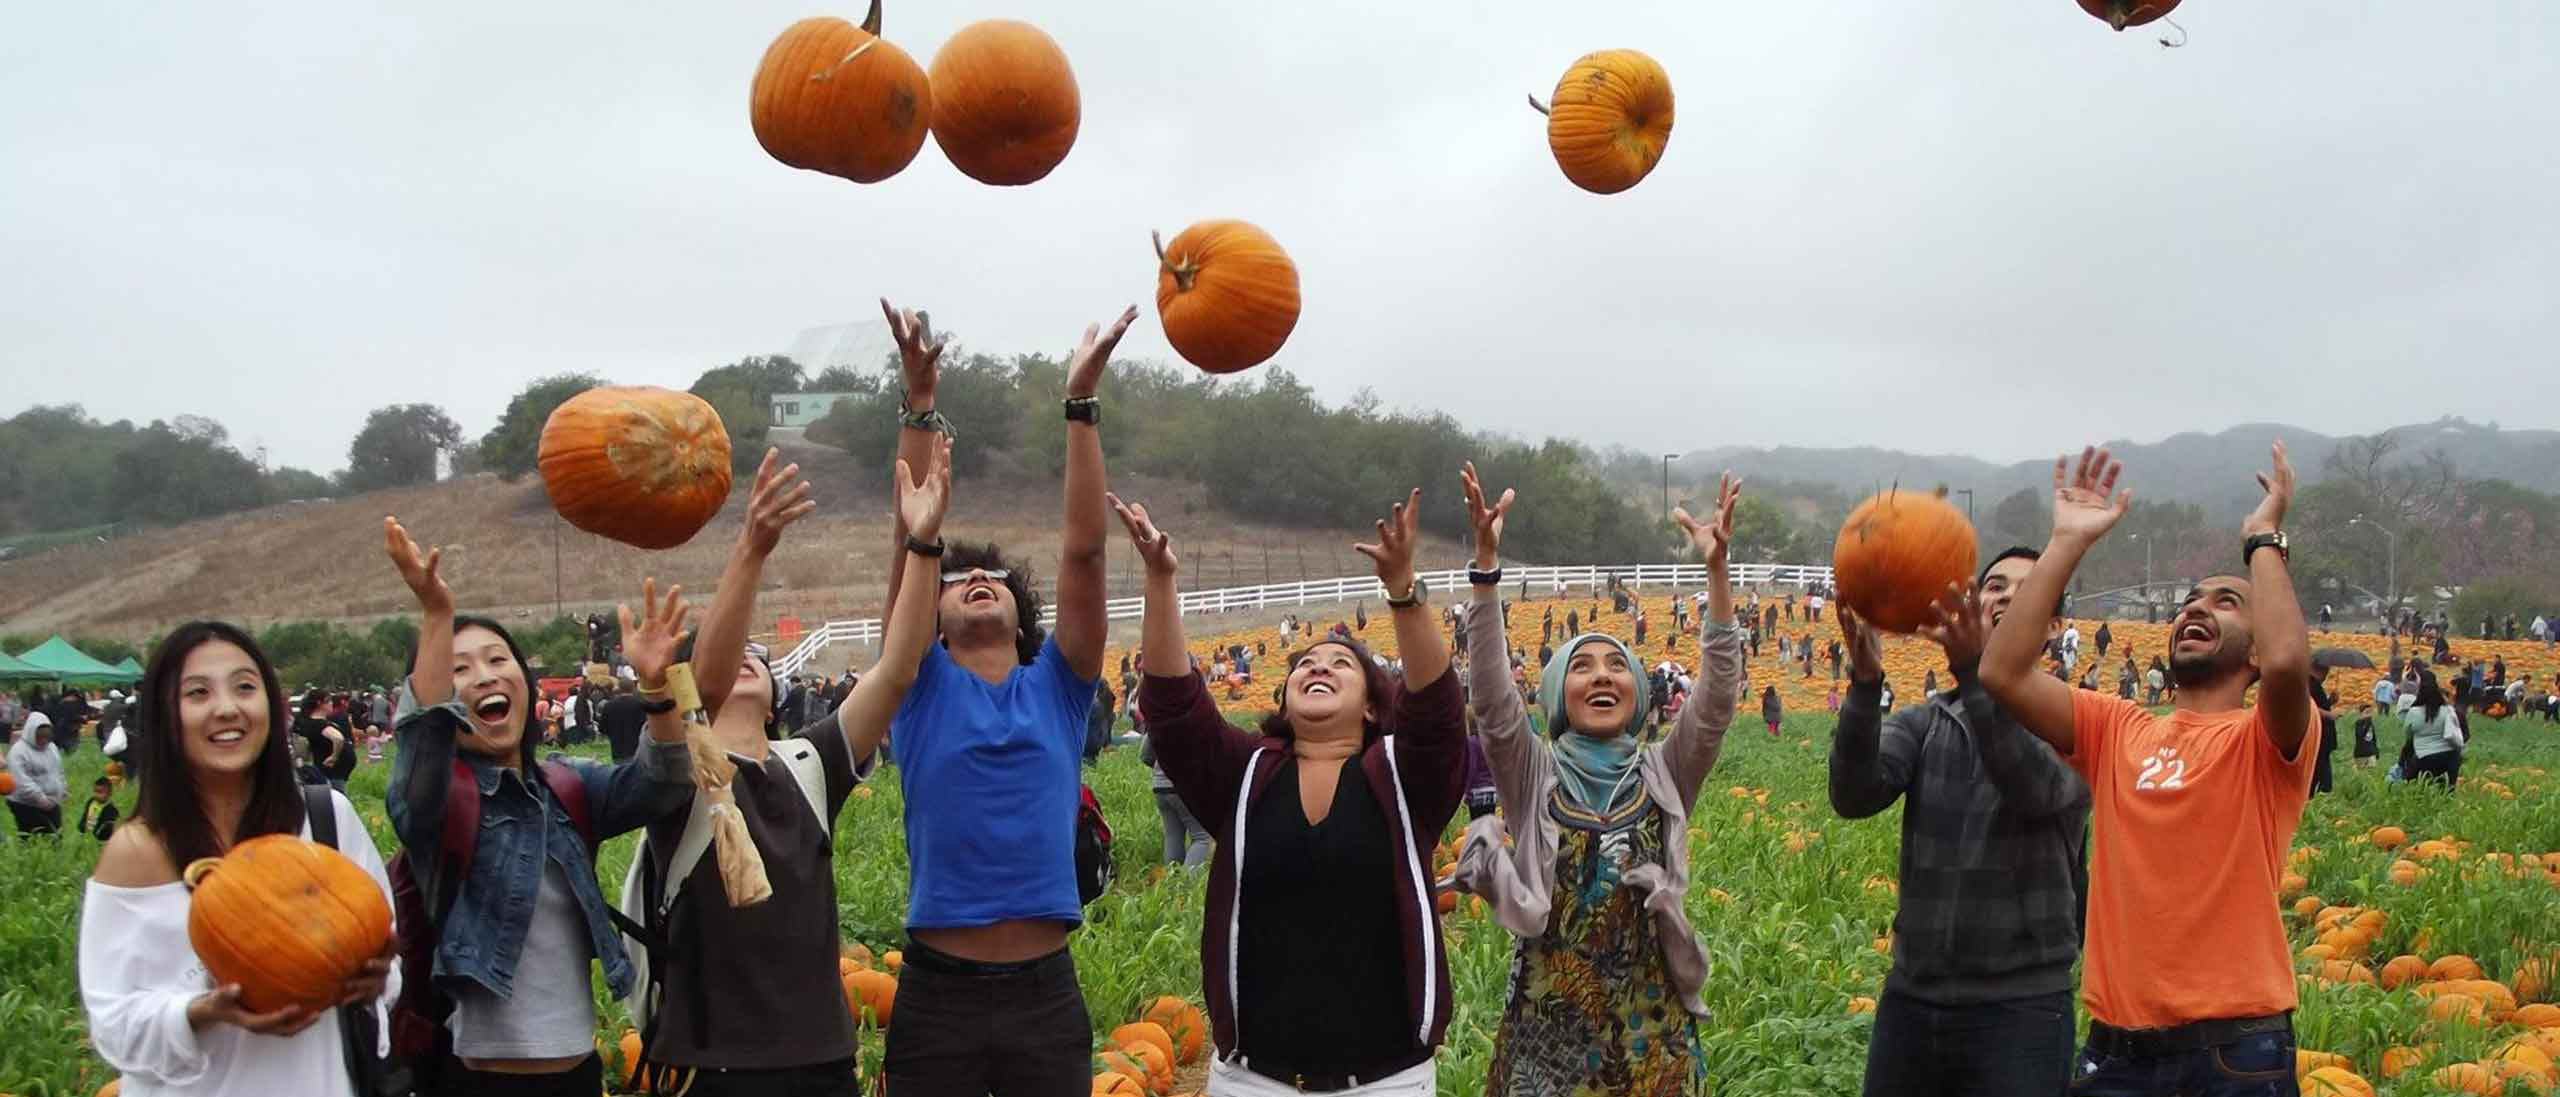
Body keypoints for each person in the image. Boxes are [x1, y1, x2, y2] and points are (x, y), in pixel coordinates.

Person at [1975, 444, 2317, 1097]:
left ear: (2253, 650)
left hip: (2236, 1052)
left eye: (2226, 603)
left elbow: (2286, 663)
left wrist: (2262, 541)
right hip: (2116, 1055)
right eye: (2190, 600)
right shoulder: (2117, 729)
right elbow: (2002, 670)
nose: (2196, 607)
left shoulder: (2267, 741)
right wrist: (2066, 544)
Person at [1117, 475, 1464, 1097]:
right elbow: (1172, 710)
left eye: (1340, 665)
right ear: (1284, 695)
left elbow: (1437, 712)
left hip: (1386, 1081)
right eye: (1304, 664)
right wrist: (1161, 581)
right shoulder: (1247, 774)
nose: (1318, 667)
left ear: (1368, 706)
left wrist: (1403, 594)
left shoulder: (1401, 778)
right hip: (1255, 1080)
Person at [872, 300, 1132, 1095]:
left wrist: (1080, 408)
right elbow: (908, 534)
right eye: (951, 583)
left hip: (1045, 992)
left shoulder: (1058, 685)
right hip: (935, 993)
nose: (974, 580)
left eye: (992, 579)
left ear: (1023, 617)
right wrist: (920, 406)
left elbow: (1085, 552)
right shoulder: (916, 687)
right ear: (932, 619)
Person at [631, 446, 940, 1097]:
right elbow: (703, 687)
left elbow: (900, 666)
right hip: (707, 1068)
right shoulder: (675, 765)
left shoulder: (809, 763)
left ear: (778, 695)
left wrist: (922, 542)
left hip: (818, 1060)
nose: (747, 655)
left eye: (758, 655)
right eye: (731, 649)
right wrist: (752, 545)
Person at [381, 518, 697, 1097]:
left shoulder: (566, 787)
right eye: (459, 668)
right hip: (474, 1078)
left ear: (523, 679)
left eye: (498, 660)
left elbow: (666, 783)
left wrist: (657, 691)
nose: (484, 676)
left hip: (576, 1071)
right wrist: (434, 613)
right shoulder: (440, 803)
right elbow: (422, 750)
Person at [1452, 467, 1743, 1097]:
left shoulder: (1665, 772)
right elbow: (1495, 702)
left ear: (1640, 695)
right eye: (1581, 667)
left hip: (1649, 1026)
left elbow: (1717, 702)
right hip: (1546, 1029)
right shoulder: (1533, 772)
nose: (1602, 675)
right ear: (1559, 695)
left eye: (1619, 665)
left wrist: (1716, 577)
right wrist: (1485, 567)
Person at [80, 621, 399, 1097]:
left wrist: (375, 980)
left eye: (245, 688)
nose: (227, 708)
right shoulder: (136, 852)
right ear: (166, 715)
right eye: (198, 693)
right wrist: (199, 1011)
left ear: (269, 704)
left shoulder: (326, 818)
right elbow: (113, 1026)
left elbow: (388, 963)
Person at [1830, 547, 2090, 1097]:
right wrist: (1864, 684)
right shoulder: (1927, 721)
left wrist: (1976, 673)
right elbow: (1853, 796)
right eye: (1994, 586)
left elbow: (2035, 788)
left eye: (2029, 587)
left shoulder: (2082, 722)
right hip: (1914, 998)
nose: (2008, 596)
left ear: (2054, 625)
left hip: (2021, 1007)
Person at [8, 711, 68, 837]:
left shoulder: (51, 748)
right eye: (40, 737)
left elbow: (57, 771)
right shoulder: (19, 751)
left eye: (47, 737)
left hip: (51, 800)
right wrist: (39, 798)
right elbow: (20, 780)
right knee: (32, 836)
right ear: (31, 733)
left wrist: (62, 788)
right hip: (25, 803)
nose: (43, 740)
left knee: (56, 835)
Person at [2403, 673, 2464, 788]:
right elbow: (2455, 731)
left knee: (2422, 788)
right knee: (2446, 790)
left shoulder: (2413, 712)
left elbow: (2408, 734)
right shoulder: (2447, 710)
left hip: (2424, 757)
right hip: (2449, 756)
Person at [2308, 663, 2339, 795]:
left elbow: (2318, 705)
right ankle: (2319, 792)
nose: (2327, 674)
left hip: (2323, 735)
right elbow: (2308, 706)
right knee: (2319, 765)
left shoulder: (2314, 684)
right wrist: (2329, 715)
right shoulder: (2309, 683)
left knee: (2322, 763)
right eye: (2326, 670)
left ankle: (2322, 791)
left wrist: (2330, 701)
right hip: (2318, 733)